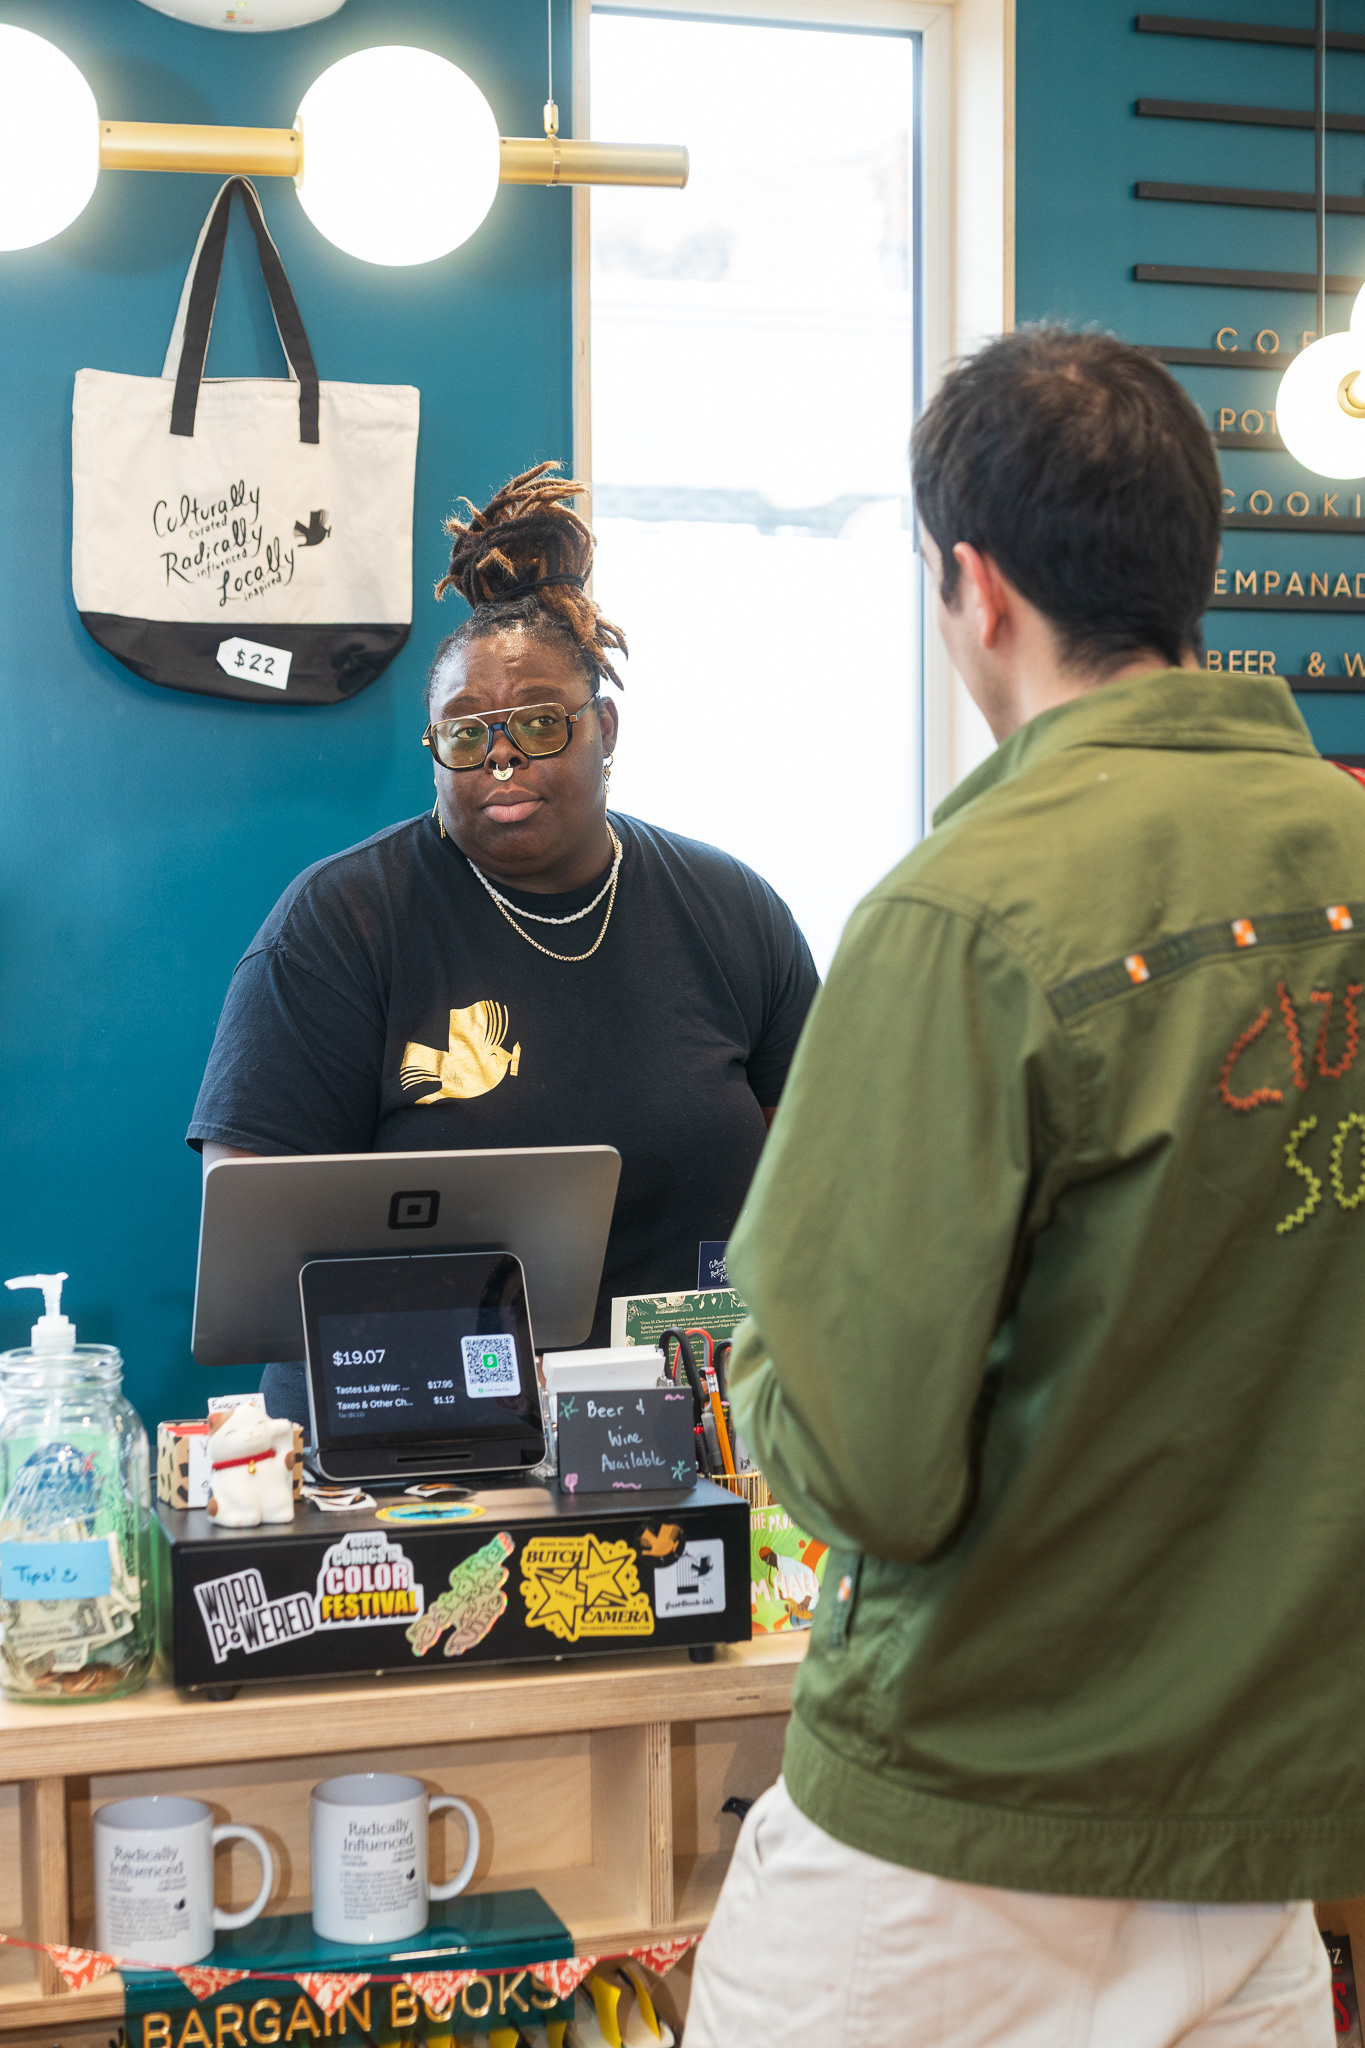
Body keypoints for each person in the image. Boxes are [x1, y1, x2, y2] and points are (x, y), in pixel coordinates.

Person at [687, 330, 1365, 2048]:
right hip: (1260, 1843)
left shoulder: (964, 911)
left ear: (974, 587)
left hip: (956, 1836)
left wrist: (757, 1362)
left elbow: (866, 1467)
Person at [187, 464, 818, 1423]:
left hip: (687, 1430)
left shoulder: (732, 910)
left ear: (605, 728)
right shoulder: (338, 925)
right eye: (464, 733)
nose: (502, 756)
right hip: (404, 1436)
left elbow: (813, 1183)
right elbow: (254, 1245)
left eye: (537, 723)